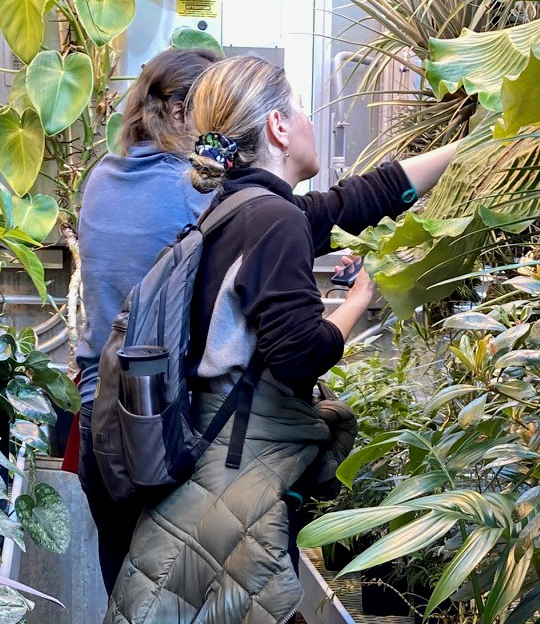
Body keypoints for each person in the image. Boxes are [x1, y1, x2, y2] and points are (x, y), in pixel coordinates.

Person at [105, 56, 458, 624]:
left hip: (212, 456)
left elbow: (360, 199)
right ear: (278, 126)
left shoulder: (238, 208)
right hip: (242, 461)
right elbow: (300, 356)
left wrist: (467, 149)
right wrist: (357, 303)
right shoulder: (273, 219)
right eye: (300, 107)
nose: (309, 118)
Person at [75, 47, 220, 596]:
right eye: (216, 111)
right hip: (157, 424)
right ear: (182, 114)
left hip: (97, 415)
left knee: (124, 591)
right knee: (182, 598)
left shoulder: (100, 179)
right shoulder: (195, 190)